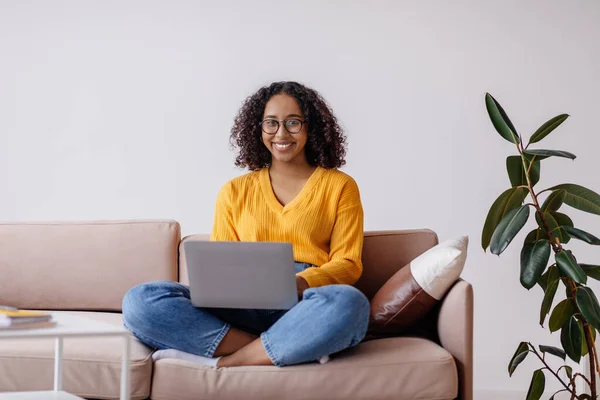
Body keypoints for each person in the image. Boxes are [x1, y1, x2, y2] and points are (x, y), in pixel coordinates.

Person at [122, 81, 370, 368]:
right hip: (242, 304)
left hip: (303, 303)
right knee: (141, 300)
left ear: (310, 127)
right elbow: (222, 263)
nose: (281, 133)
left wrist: (300, 282)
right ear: (258, 128)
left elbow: (348, 263)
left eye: (293, 123)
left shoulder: (340, 186)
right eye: (271, 123)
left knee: (350, 304)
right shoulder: (234, 191)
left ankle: (230, 360)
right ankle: (288, 345)